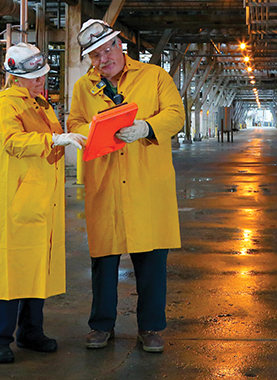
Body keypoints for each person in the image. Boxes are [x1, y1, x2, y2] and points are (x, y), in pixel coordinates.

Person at [67, 19, 185, 353]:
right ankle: (101, 326)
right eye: (95, 55)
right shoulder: (83, 88)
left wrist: (146, 127)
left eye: (107, 49)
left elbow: (176, 115)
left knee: (150, 261)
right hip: (105, 182)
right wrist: (92, 131)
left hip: (146, 184)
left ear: (121, 46)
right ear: (89, 59)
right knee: (103, 260)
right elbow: (74, 120)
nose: (104, 59)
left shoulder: (155, 77)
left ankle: (150, 328)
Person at [0, 42, 87, 364]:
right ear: (16, 77)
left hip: (41, 200)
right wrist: (54, 140)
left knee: (35, 269)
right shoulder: (6, 106)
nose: (42, 80)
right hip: (17, 201)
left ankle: (31, 332)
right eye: (36, 77)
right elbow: (12, 143)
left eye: (44, 75)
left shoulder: (41, 105)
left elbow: (50, 148)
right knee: (9, 271)